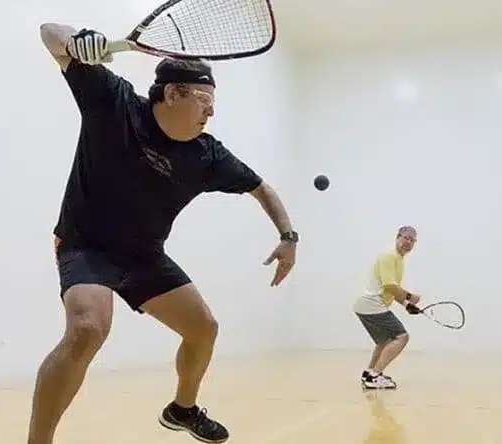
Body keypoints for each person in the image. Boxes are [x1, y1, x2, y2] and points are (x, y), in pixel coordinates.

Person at [27, 25, 298, 444]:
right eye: (204, 100)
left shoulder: (207, 155)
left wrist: (288, 236)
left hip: (144, 257)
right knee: (88, 329)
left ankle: (182, 410)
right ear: (173, 94)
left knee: (204, 329)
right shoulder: (114, 102)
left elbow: (260, 187)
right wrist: (78, 38)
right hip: (87, 245)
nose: (211, 111)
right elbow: (50, 35)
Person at [352, 226, 422, 390]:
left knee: (384, 341)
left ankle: (369, 373)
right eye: (406, 238)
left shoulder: (398, 259)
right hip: (372, 305)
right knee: (402, 337)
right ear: (398, 237)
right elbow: (389, 285)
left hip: (368, 305)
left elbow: (390, 289)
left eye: (412, 240)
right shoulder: (390, 256)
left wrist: (406, 305)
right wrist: (410, 297)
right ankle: (375, 376)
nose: (408, 243)